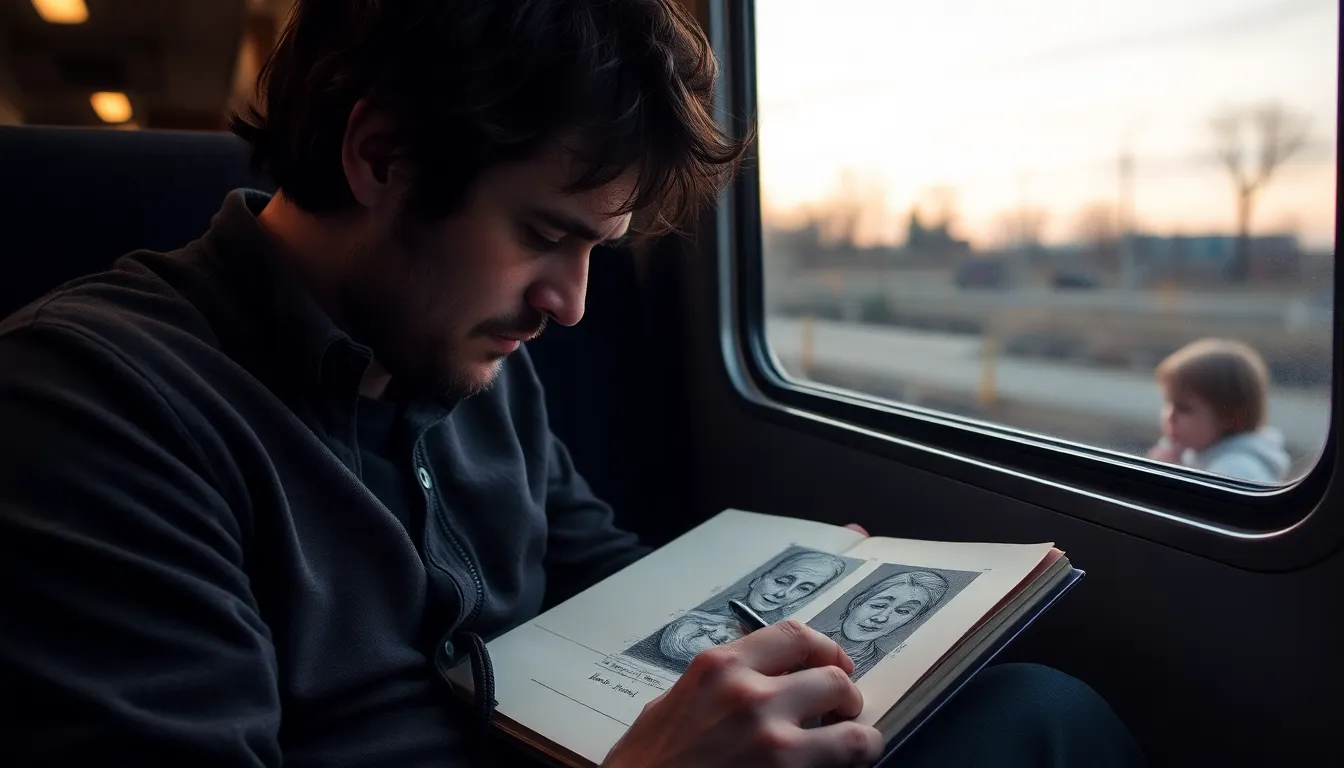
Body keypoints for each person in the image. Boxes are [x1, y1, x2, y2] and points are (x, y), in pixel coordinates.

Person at [0, 1, 1147, 766]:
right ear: (380, 157)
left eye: (598, 249)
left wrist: (793, 604)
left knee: (1037, 713)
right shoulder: (90, 407)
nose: (572, 305)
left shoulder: (472, 360)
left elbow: (606, 583)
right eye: (548, 235)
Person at [1148, 338, 1291, 483]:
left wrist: (1172, 475)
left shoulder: (1236, 470)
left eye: (1184, 408)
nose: (1170, 416)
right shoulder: (1192, 451)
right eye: (1168, 403)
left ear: (1231, 417)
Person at [823, 570, 950, 680]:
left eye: (903, 611)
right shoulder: (806, 637)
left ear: (910, 620)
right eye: (878, 605)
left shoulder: (884, 667)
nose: (881, 618)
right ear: (856, 603)